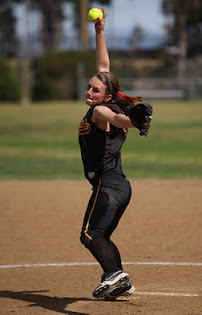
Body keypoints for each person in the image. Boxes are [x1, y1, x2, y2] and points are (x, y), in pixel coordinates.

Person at [78, 8, 143, 300]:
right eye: (89, 87)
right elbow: (104, 66)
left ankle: (115, 275)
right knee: (103, 235)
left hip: (108, 185)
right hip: (121, 186)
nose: (90, 91)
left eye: (95, 89)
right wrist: (100, 31)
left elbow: (116, 119)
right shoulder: (111, 103)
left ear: (106, 96)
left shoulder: (101, 111)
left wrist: (131, 121)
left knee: (90, 234)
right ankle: (120, 282)